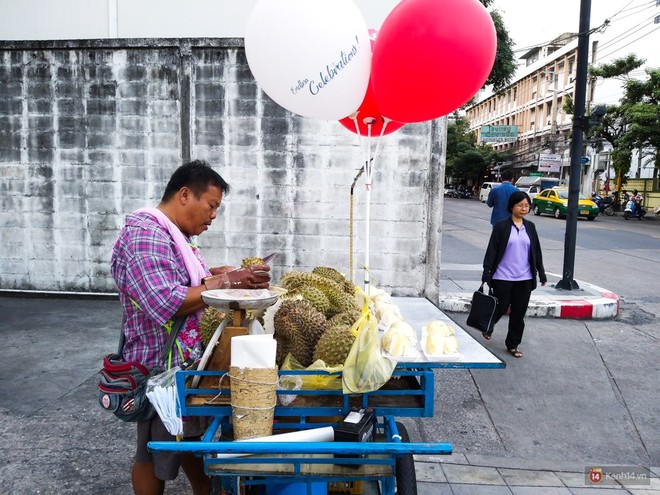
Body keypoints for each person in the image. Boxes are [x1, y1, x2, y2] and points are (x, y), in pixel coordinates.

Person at [111, 160, 271, 495]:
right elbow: (165, 299)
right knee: (152, 450)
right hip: (159, 365)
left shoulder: (175, 235)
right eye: (211, 205)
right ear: (185, 195)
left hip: (181, 362)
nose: (213, 215)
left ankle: (208, 489)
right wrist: (228, 281)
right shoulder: (145, 233)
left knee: (184, 436)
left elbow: (185, 280)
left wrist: (222, 274)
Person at [481, 191, 547, 358]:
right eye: (520, 205)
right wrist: (486, 271)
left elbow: (536, 251)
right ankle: (488, 326)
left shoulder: (530, 227)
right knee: (501, 307)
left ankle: (513, 344)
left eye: (526, 205)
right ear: (512, 206)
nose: (524, 208)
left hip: (524, 278)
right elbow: (492, 250)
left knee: (518, 313)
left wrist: (541, 272)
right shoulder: (501, 226)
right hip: (502, 276)